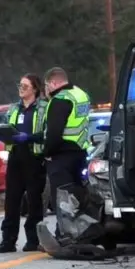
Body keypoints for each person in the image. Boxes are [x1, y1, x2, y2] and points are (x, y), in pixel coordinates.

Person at [0, 73, 48, 253]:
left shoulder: (43, 108)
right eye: (20, 85)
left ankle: (33, 239)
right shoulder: (13, 109)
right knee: (12, 200)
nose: (21, 89)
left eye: (25, 86)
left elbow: (48, 133)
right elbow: (5, 126)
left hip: (34, 157)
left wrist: (30, 138)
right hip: (16, 157)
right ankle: (8, 240)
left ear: (35, 88)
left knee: (34, 201)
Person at [40, 67, 91, 233]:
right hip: (80, 151)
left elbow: (54, 132)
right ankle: (80, 230)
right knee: (77, 195)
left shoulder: (60, 99)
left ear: (54, 83)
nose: (46, 90)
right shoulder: (80, 94)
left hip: (61, 155)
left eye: (47, 86)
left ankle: (62, 233)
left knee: (61, 198)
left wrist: (46, 153)